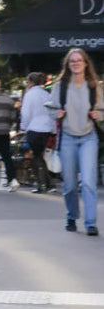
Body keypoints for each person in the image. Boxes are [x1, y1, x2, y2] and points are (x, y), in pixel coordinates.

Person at [50, 48, 103, 235]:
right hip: (67, 138)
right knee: (70, 185)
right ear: (68, 64)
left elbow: (102, 110)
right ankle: (72, 216)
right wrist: (56, 114)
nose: (76, 63)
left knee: (88, 182)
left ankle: (90, 223)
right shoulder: (61, 86)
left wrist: (98, 115)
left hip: (89, 137)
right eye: (72, 61)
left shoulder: (93, 86)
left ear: (86, 63)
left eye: (79, 60)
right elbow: (50, 108)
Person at [20, 71, 56, 193]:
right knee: (40, 155)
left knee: (35, 157)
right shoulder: (46, 94)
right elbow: (52, 112)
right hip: (46, 128)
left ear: (30, 82)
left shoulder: (29, 95)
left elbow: (26, 113)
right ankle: (48, 183)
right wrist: (53, 128)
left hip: (34, 128)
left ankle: (41, 183)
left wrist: (23, 127)